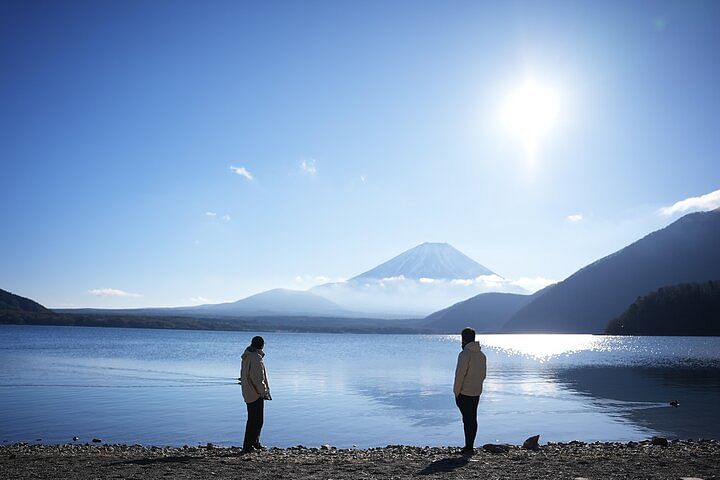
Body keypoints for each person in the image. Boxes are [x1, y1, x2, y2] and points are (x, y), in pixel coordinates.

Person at [453, 327, 487, 456]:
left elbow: (459, 376)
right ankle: (470, 445)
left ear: (464, 339)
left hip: (464, 393)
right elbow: (483, 375)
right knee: (472, 418)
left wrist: (456, 393)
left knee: (467, 419)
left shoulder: (465, 354)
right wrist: (477, 387)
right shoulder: (481, 355)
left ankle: (468, 447)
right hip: (476, 392)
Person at [240, 335, 271, 453]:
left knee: (253, 419)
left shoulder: (247, 356)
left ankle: (254, 443)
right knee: (257, 420)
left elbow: (245, 375)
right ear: (261, 345)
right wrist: (263, 392)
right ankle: (249, 445)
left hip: (247, 391)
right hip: (255, 393)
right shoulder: (255, 358)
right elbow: (258, 379)